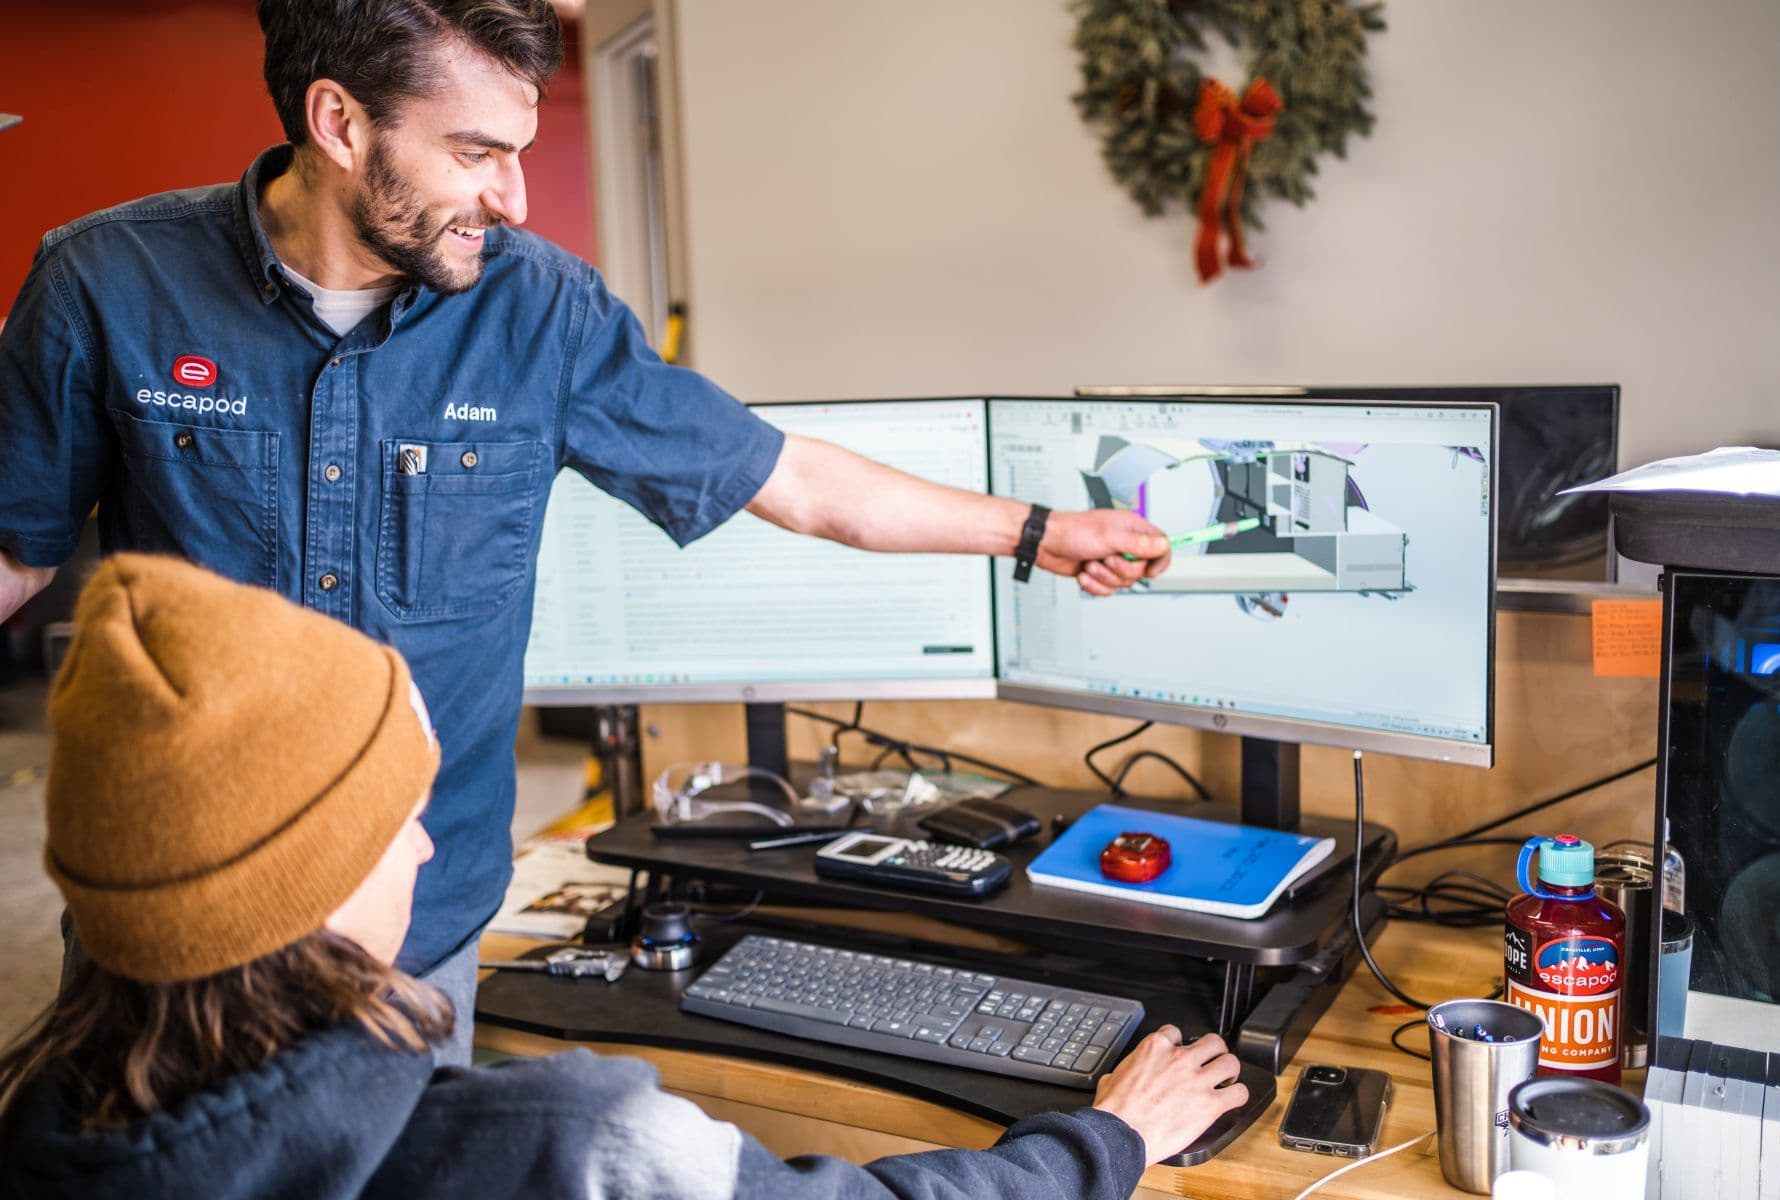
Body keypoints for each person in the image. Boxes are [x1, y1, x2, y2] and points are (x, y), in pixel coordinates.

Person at [0, 0, 1171, 1062]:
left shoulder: (541, 310)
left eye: (516, 153)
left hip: (415, 933)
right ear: (339, 121)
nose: (512, 197)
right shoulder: (107, 282)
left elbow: (793, 481)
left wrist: (1038, 530)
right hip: (169, 934)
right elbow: (17, 552)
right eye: (475, 154)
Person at [0, 555, 1244, 1199]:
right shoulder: (562, 1147)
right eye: (398, 820)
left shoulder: (43, 1132)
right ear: (304, 882)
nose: (429, 848)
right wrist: (1106, 1141)